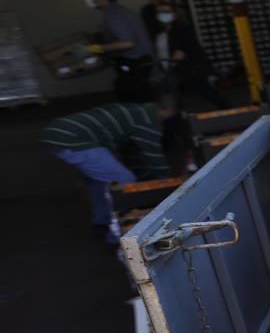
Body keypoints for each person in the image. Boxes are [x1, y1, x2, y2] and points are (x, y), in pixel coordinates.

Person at [41, 96, 177, 243]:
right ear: (170, 111)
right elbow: (153, 153)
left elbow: (129, 151)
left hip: (57, 132)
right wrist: (169, 183)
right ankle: (119, 236)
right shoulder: (148, 119)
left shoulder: (134, 109)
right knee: (124, 182)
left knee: (98, 183)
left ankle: (102, 223)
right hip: (74, 139)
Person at [84, 0, 155, 103]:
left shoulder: (114, 15)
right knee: (132, 92)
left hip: (134, 62)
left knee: (134, 96)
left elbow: (127, 43)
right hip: (137, 61)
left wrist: (93, 49)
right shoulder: (116, 12)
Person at [156, 0, 229, 111]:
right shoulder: (167, 31)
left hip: (191, 70)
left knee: (206, 92)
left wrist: (170, 61)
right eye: (160, 12)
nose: (162, 15)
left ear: (174, 14)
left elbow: (182, 52)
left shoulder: (180, 30)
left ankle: (230, 110)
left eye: (166, 12)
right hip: (185, 70)